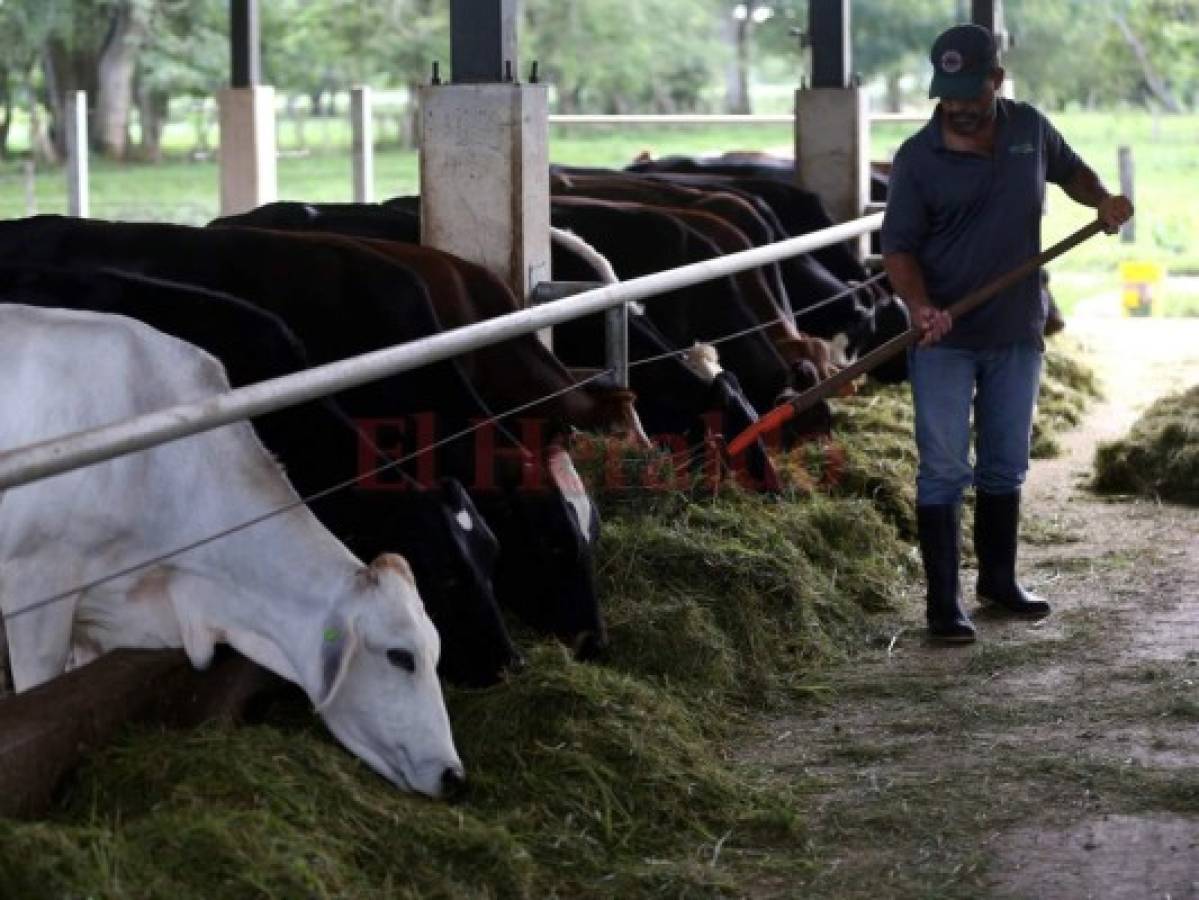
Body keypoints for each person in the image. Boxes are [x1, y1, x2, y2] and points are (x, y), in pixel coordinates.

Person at [881, 24, 1133, 643]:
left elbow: (1071, 171)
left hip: (1016, 330)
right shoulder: (918, 159)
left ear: (996, 80)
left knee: (1005, 463)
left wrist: (1101, 201)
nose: (959, 107)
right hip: (944, 337)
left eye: (970, 93)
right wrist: (920, 307)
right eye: (948, 95)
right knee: (942, 467)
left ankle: (999, 581)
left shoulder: (1029, 130)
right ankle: (944, 605)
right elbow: (899, 249)